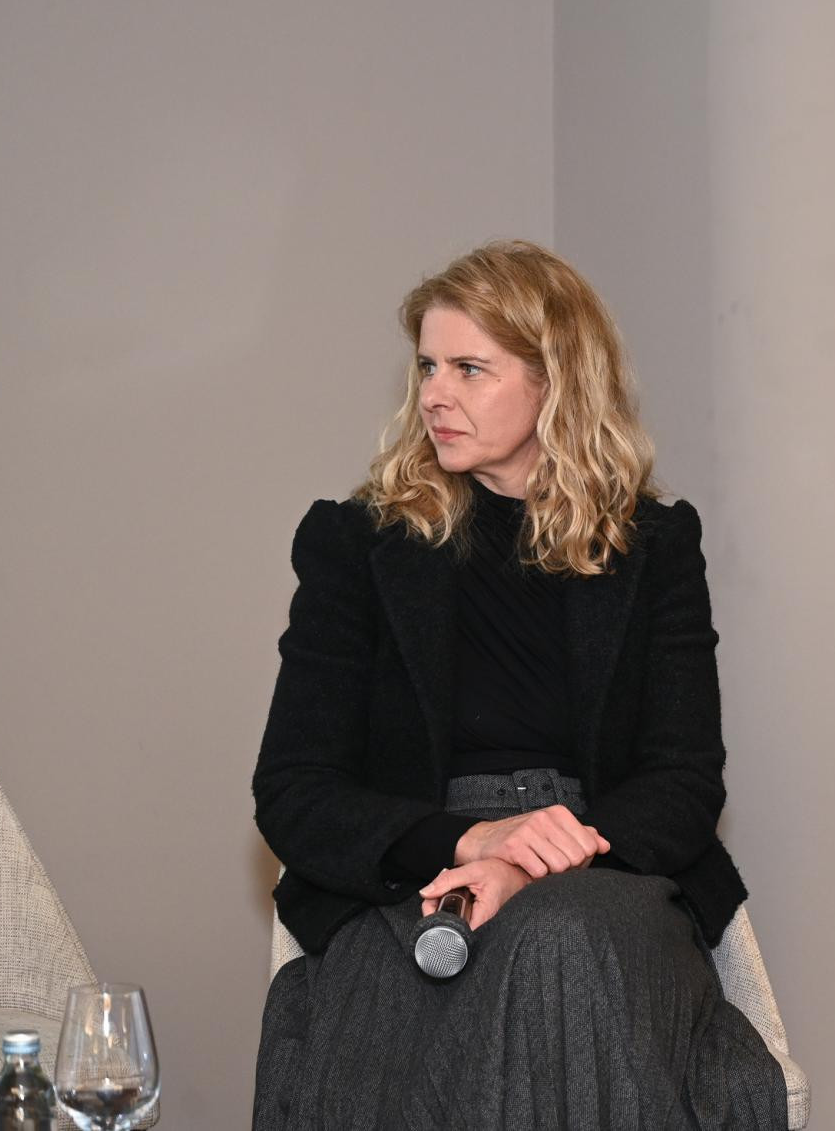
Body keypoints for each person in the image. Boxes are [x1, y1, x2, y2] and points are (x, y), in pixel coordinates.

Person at [252, 241, 786, 1130]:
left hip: (604, 864)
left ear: (556, 381)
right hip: (415, 878)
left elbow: (684, 783)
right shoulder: (355, 545)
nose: (434, 394)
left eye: (469, 368)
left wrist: (530, 858)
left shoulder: (653, 547)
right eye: (428, 365)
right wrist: (474, 843)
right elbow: (294, 791)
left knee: (558, 941)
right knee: (469, 973)